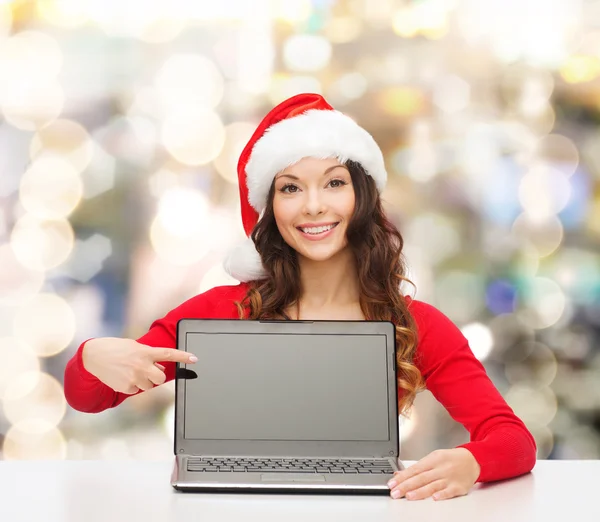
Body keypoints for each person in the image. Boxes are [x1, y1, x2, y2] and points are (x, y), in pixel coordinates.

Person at [64, 93, 536, 501]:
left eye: (334, 182)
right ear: (270, 208)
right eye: (291, 188)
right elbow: (90, 397)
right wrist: (90, 358)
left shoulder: (416, 325)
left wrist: (471, 462)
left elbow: (513, 439)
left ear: (363, 198)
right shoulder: (221, 311)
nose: (313, 205)